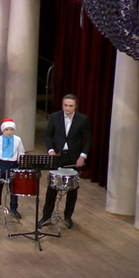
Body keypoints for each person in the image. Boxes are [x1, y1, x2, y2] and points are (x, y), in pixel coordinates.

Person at [39, 94, 93, 230]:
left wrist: (83, 156)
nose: (67, 108)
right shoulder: (55, 117)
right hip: (58, 157)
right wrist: (50, 149)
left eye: (70, 106)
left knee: (72, 189)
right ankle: (46, 216)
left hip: (73, 158)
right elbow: (47, 134)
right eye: (65, 105)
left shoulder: (82, 119)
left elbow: (88, 139)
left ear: (75, 106)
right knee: (52, 189)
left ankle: (68, 216)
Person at [0, 119, 25, 219]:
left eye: (11, 129)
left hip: (13, 164)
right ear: (3, 130)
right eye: (7, 130)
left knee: (14, 188)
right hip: (1, 164)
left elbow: (21, 151)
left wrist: (20, 160)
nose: (9, 132)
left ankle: (14, 208)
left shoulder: (18, 140)